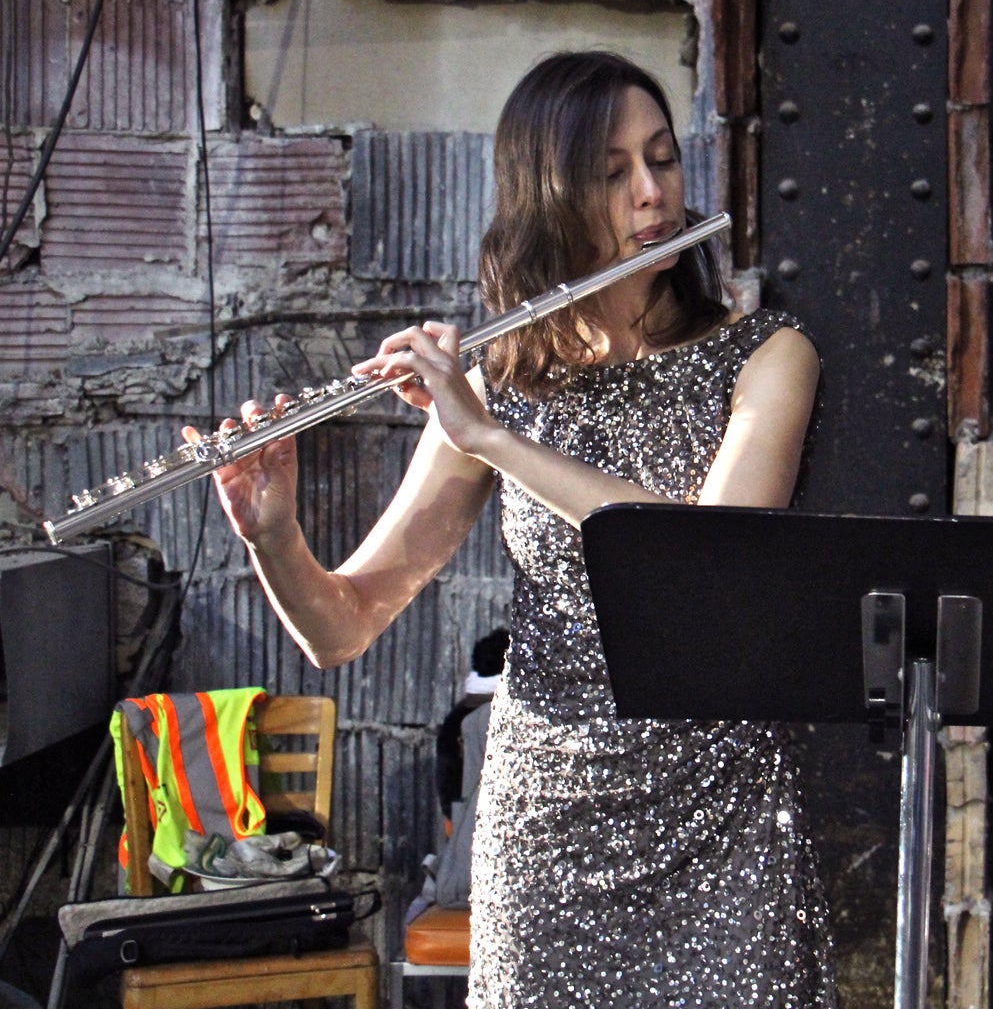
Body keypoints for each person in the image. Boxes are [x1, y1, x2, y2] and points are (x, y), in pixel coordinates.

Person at [187, 51, 834, 1007]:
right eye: (613, 174)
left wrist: (490, 438)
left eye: (663, 160)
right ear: (548, 199)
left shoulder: (769, 356)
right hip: (550, 836)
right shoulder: (498, 385)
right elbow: (341, 626)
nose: (653, 193)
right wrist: (272, 535)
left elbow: (709, 562)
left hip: (722, 823)